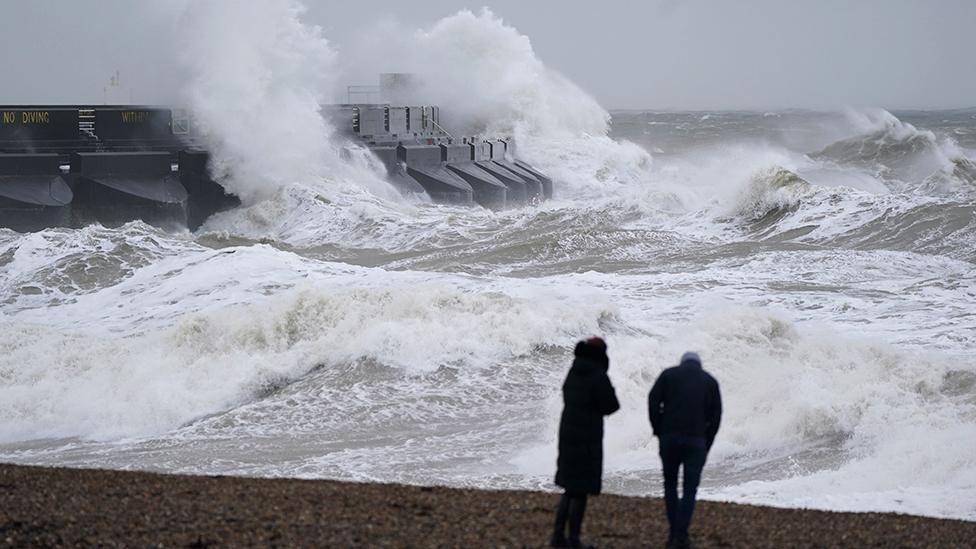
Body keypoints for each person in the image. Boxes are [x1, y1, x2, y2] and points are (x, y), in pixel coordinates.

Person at [551, 337, 620, 548]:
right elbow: (611, 405)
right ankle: (574, 539)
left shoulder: (573, 371)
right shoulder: (597, 375)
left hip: (568, 434)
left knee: (570, 489)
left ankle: (557, 536)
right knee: (580, 490)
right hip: (587, 437)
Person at [648, 351, 722, 549]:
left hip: (669, 438)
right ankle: (681, 535)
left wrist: (658, 429)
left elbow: (653, 401)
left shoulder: (668, 375)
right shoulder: (709, 381)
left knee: (670, 485)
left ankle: (673, 534)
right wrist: (708, 441)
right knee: (690, 489)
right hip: (696, 441)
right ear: (699, 364)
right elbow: (716, 416)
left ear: (682, 363)